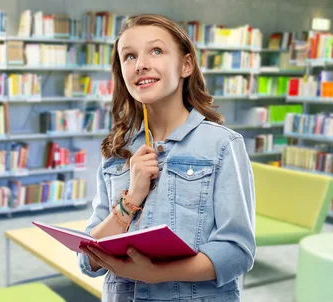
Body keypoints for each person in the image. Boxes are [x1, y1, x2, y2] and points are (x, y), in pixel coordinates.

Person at [77, 14, 256, 302]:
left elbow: (237, 252)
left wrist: (157, 273)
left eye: (156, 51)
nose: (141, 64)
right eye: (129, 56)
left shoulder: (222, 145)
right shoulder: (116, 152)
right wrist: (132, 198)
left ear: (186, 65)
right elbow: (89, 259)